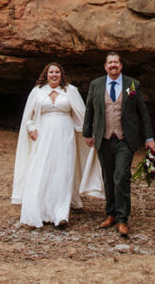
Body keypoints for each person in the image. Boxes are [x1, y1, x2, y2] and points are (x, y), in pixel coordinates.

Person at [12, 62, 102, 228]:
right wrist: (31, 129)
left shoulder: (70, 91)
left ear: (62, 75)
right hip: (43, 136)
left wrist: (88, 134)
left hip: (64, 136)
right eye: (51, 72)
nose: (54, 75)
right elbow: (28, 117)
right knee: (41, 170)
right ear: (46, 74)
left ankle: (61, 215)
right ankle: (39, 210)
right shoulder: (37, 92)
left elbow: (81, 115)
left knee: (63, 171)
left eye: (57, 72)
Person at [83, 51, 155, 238]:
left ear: (121, 66)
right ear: (105, 66)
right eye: (110, 63)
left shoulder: (132, 85)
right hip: (104, 138)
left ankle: (123, 219)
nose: (113, 65)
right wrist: (87, 133)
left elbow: (143, 113)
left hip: (125, 139)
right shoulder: (96, 85)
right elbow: (89, 110)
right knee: (108, 177)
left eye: (116, 62)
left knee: (121, 176)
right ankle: (111, 214)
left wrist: (149, 137)